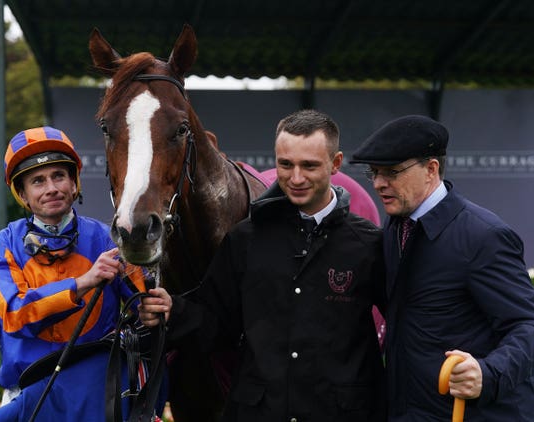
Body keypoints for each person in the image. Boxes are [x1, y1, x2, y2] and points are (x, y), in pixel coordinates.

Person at [140, 109, 387, 421]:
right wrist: (172, 311)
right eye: (286, 164)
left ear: (335, 164)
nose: (296, 178)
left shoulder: (370, 243)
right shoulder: (245, 238)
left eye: (309, 165)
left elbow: (409, 324)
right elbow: (216, 320)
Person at [350, 114, 534, 420]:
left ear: (431, 169)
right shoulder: (395, 228)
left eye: (392, 172)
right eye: (374, 172)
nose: (379, 183)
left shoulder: (483, 236)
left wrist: (488, 373)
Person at [0, 126, 153, 420]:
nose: (51, 188)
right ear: (22, 194)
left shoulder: (110, 240)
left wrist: (157, 308)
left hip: (96, 396)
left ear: (74, 183)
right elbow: (14, 313)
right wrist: (84, 282)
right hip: (28, 393)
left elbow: (143, 306)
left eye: (59, 176)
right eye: (38, 181)